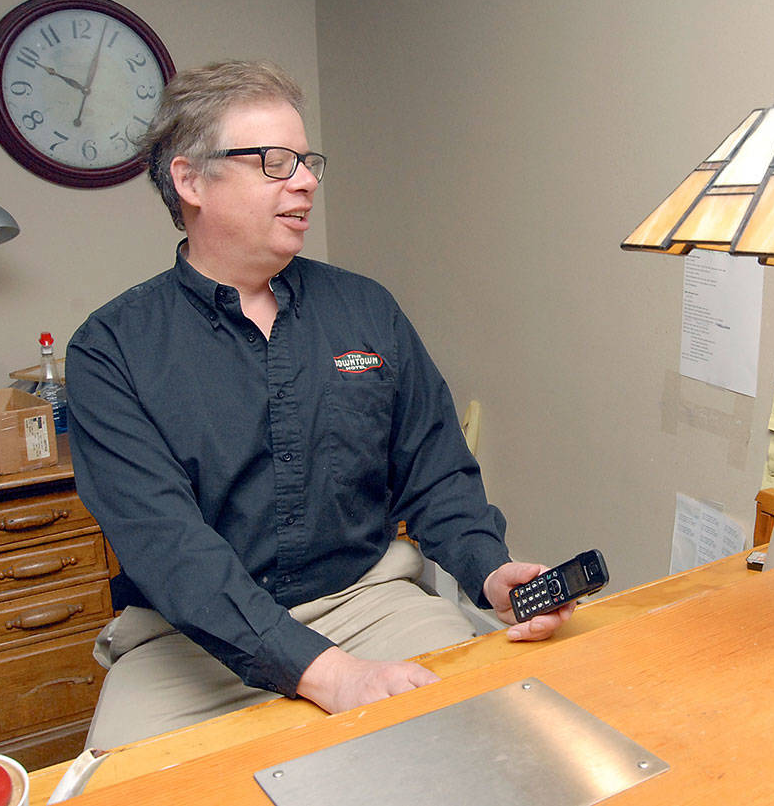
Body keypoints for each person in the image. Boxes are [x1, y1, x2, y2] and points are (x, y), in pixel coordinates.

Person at [67, 60, 572, 749]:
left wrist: (490, 571)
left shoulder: (367, 309)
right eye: (274, 161)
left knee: (493, 740)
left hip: (368, 604)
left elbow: (437, 472)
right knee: (118, 788)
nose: (304, 180)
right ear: (190, 181)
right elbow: (172, 550)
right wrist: (327, 674)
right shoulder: (111, 349)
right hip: (191, 640)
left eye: (307, 161)